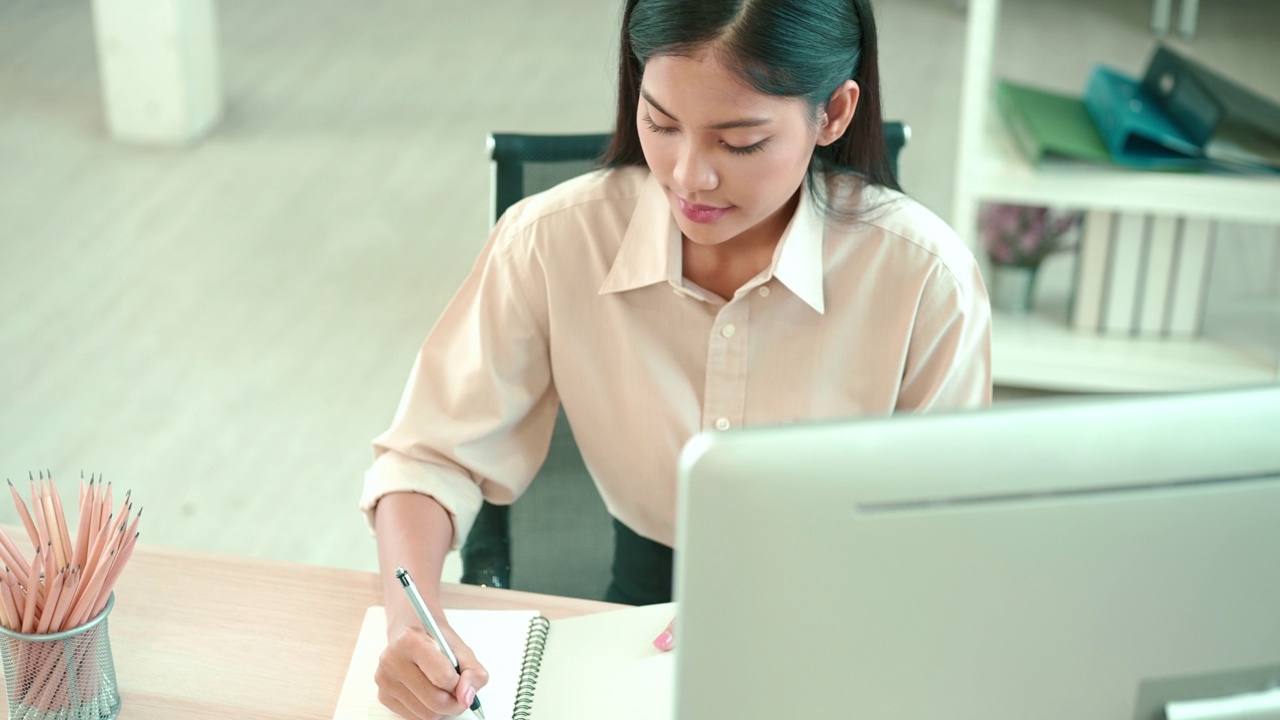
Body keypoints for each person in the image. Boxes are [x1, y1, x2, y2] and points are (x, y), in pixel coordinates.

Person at [363, 0, 992, 717]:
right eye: (660, 123)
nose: (688, 176)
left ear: (834, 113)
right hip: (637, 614)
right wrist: (413, 621)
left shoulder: (924, 277)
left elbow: (946, 535)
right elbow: (429, 458)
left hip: (842, 617)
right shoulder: (552, 240)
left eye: (741, 142)